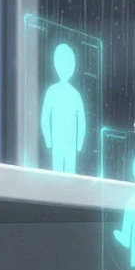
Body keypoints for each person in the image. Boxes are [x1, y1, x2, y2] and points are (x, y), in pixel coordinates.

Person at [41, 43, 87, 173]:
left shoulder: (75, 94)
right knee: (58, 174)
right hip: (58, 140)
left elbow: (82, 121)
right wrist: (48, 140)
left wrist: (79, 144)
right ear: (57, 65)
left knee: (70, 175)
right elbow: (45, 116)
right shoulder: (52, 91)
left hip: (70, 143)